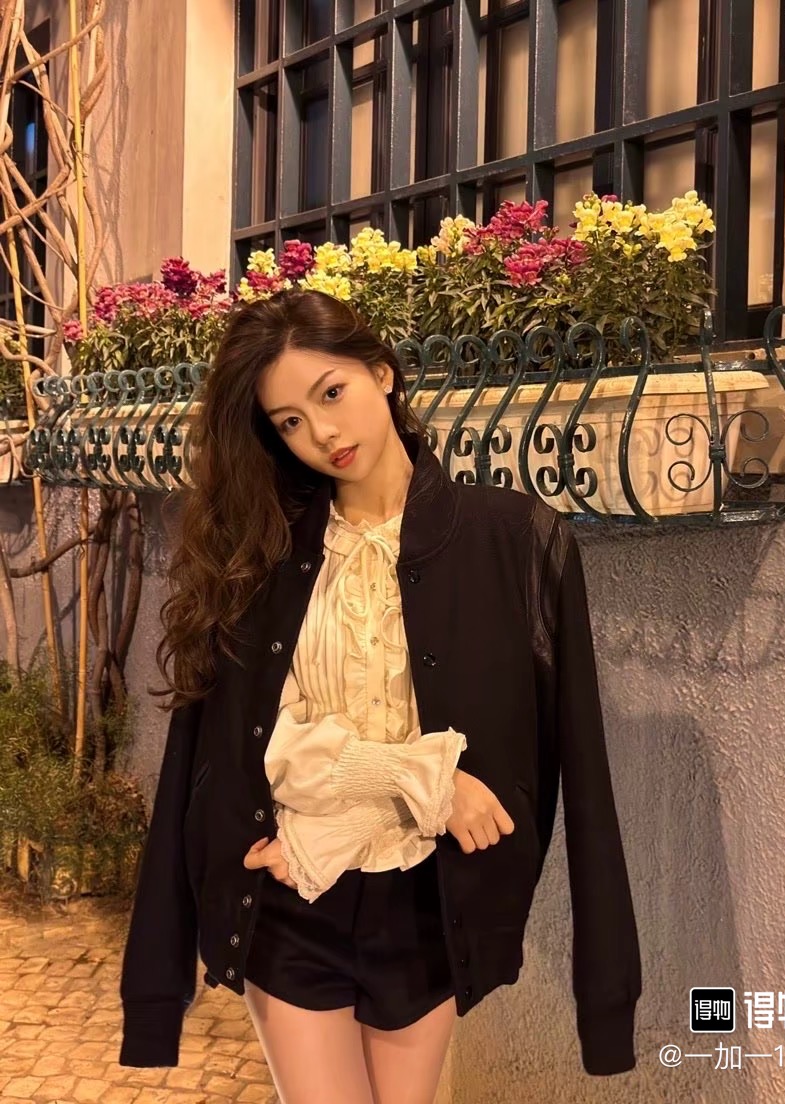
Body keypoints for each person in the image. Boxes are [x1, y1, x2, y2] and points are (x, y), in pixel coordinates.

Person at [118, 288, 642, 1102]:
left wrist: (605, 1000)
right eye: (289, 421)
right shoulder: (261, 553)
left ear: (382, 372)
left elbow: (583, 767)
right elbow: (255, 748)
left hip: (432, 910)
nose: (323, 433)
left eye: (332, 392)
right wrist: (427, 779)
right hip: (289, 893)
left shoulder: (517, 540)